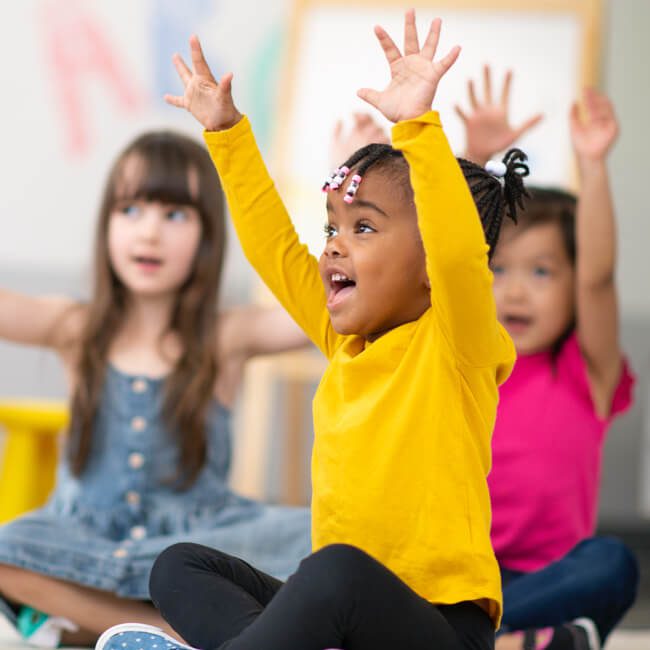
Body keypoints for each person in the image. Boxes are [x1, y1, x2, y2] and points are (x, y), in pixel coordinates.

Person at [97, 11, 532, 650]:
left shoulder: (458, 344)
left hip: (442, 629)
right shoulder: (343, 342)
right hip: (345, 623)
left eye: (362, 228)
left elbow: (461, 254)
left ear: (429, 265)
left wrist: (416, 125)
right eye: (333, 227)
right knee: (179, 567)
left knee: (336, 573)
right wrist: (226, 134)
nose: (332, 248)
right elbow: (275, 248)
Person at [0, 130, 312, 647]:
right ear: (106, 225)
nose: (149, 234)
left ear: (208, 234)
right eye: (131, 210)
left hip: (197, 541)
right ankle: (165, 633)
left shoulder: (225, 335)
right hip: (82, 539)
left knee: (330, 546)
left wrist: (357, 213)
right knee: (8, 552)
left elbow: (321, 309)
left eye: (174, 215)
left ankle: (91, 624)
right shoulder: (76, 327)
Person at [456, 69, 638, 649]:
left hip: (551, 582)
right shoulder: (468, 361)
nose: (513, 292)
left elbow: (600, 276)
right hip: (463, 578)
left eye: (541, 272)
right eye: (499, 270)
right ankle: (528, 641)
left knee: (611, 562)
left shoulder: (587, 372)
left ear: (571, 283)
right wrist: (476, 161)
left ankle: (475, 638)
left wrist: (593, 167)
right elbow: (445, 255)